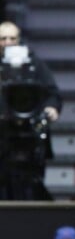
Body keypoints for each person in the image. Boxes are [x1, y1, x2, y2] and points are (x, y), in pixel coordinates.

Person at [0, 21, 61, 200]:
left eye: (12, 38)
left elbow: (52, 93)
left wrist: (51, 108)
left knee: (31, 185)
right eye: (3, 38)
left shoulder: (34, 64)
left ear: (19, 40)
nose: (7, 42)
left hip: (29, 134)